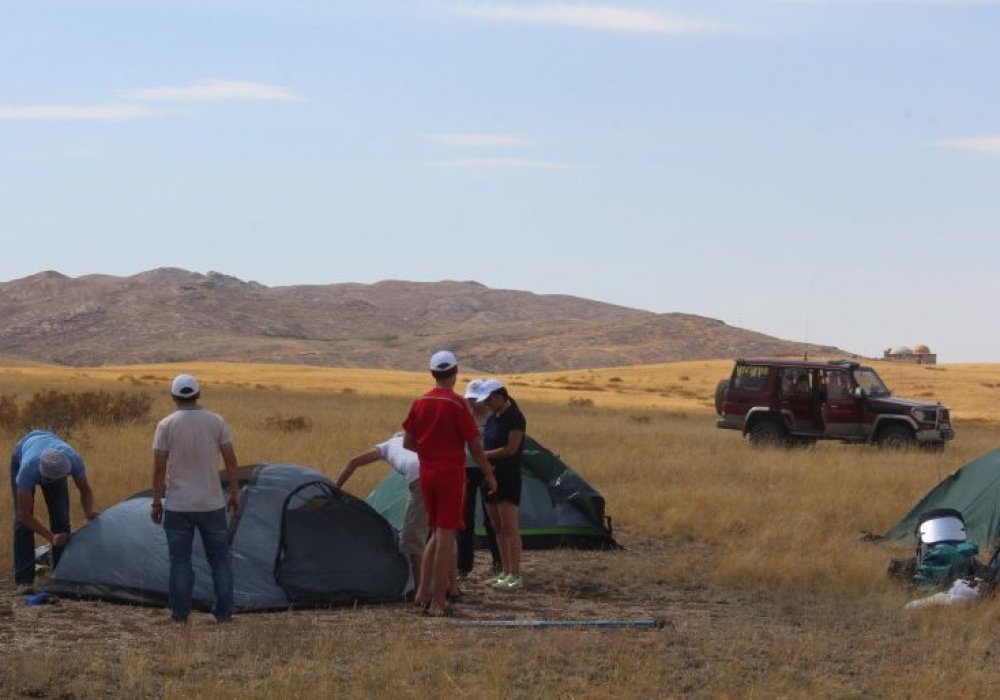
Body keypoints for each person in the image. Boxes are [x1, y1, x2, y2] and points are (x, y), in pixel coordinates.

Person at [402, 350, 497, 617]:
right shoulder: (457, 404)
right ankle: (438, 601)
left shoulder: (419, 402)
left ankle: (422, 592)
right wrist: (488, 473)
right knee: (446, 535)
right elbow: (474, 445)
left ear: (433, 374)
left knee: (435, 531)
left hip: (427, 474)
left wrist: (429, 452)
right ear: (455, 373)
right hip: (451, 475)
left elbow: (408, 442)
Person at [151, 374, 241, 624]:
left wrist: (157, 501)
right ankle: (224, 613)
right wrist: (234, 493)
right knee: (220, 561)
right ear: (198, 395)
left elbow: (159, 468)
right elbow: (231, 460)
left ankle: (180, 615)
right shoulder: (216, 422)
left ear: (173, 397)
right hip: (212, 504)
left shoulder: (166, 425)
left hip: (178, 506)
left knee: (180, 562)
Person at [10, 430, 98, 595]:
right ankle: (24, 580)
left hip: (50, 448)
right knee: (22, 525)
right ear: (43, 475)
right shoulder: (27, 471)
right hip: (23, 450)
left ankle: (60, 577)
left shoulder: (73, 460)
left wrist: (89, 513)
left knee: (61, 521)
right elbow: (25, 515)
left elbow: (85, 490)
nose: (56, 482)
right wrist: (50, 537)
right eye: (52, 480)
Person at [337, 434, 428, 592]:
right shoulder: (416, 441)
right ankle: (450, 585)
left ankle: (420, 590)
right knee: (441, 532)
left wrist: (335, 489)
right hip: (439, 472)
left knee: (411, 538)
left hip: (420, 477)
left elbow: (354, 462)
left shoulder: (386, 446)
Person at [478, 378, 527, 591]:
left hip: (508, 476)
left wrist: (483, 455)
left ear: (500, 396)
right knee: (497, 527)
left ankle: (515, 573)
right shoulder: (491, 419)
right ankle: (505, 571)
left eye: (489, 399)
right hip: (490, 476)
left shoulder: (515, 418)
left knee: (509, 526)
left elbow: (511, 449)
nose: (486, 404)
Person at [457, 378, 501, 579]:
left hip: (486, 469)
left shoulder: (493, 416)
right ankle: (463, 566)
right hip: (465, 469)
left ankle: (498, 561)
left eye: (476, 398)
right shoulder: (463, 416)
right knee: (465, 518)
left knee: (491, 517)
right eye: (470, 399)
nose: (473, 403)